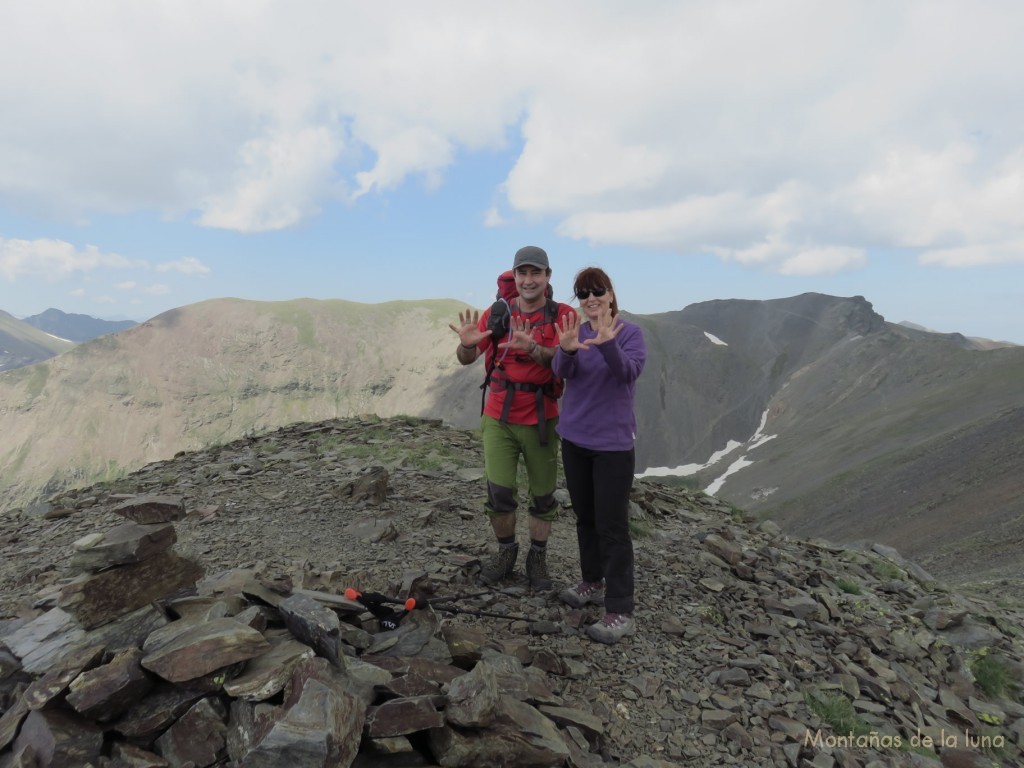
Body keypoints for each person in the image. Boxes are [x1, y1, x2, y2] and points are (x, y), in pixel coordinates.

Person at [449, 246, 575, 590]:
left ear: (548, 277)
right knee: (499, 494)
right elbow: (467, 358)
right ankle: (506, 553)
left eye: (536, 273)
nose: (529, 280)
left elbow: (568, 362)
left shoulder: (563, 316)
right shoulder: (498, 312)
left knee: (543, 497)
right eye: (523, 273)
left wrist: (533, 348)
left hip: (542, 418)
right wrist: (465, 345)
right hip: (498, 417)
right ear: (515, 277)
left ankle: (538, 558)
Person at [552, 267, 647, 644]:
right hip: (574, 439)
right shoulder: (578, 331)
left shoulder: (630, 334)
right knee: (585, 517)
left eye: (597, 291)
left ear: (610, 294)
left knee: (612, 526)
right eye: (583, 293)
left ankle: (620, 609)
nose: (590, 299)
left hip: (612, 446)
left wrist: (607, 343)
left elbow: (627, 374)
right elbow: (562, 373)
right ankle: (592, 580)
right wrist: (566, 349)